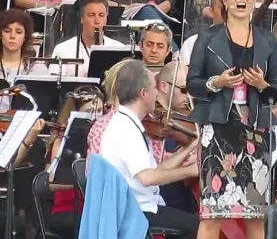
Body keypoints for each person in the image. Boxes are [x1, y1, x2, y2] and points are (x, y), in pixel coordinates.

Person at [187, 0, 277, 239]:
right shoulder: (207, 38)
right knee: (212, 213)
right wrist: (216, 82)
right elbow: (192, 82)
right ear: (224, 1)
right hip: (217, 128)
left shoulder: (268, 40)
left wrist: (263, 85)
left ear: (255, 0)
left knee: (254, 215)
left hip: (255, 129)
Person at [99, 59, 199, 237]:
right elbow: (147, 178)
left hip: (141, 206)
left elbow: (154, 170)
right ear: (143, 93)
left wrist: (188, 149)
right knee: (199, 227)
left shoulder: (129, 123)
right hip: (136, 211)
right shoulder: (125, 129)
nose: (158, 94)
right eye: (154, 88)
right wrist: (190, 171)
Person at [47, 86, 105, 238]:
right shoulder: (61, 142)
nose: (95, 117)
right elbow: (50, 184)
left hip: (97, 208)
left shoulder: (105, 141)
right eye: (88, 112)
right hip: (67, 208)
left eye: (99, 111)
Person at [153, 61, 199, 214]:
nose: (188, 97)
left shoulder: (182, 117)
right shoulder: (153, 121)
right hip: (162, 197)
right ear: (165, 87)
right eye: (184, 90)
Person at [49, 0, 124, 77]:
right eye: (91, 15)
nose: (97, 21)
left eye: (101, 15)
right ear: (82, 18)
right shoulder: (62, 49)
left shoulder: (119, 49)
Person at [0, 9, 49, 111]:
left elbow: (44, 106)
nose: (12, 36)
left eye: (19, 32)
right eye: (7, 31)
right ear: (0, 35)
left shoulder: (38, 69)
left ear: (25, 36)